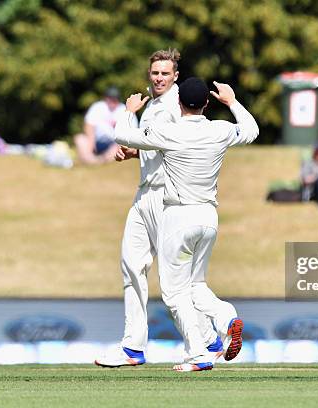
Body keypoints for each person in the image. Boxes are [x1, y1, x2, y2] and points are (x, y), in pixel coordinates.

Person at [114, 78, 258, 371]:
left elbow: (122, 135)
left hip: (179, 218)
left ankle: (198, 354)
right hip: (209, 218)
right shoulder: (220, 129)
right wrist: (231, 102)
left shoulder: (171, 131)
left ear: (179, 103)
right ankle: (227, 319)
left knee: (173, 292)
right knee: (195, 285)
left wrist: (129, 111)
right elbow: (252, 130)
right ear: (207, 103)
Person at [94, 50, 222, 368]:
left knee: (172, 281)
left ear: (175, 76)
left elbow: (185, 145)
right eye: (155, 73)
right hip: (143, 194)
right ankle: (133, 348)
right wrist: (135, 155)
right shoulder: (152, 105)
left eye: (165, 73)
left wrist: (128, 113)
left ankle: (208, 340)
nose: (159, 78)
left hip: (167, 198)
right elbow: (158, 147)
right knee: (131, 265)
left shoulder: (178, 106)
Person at [73, 86, 128, 165]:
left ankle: (103, 160)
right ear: (106, 98)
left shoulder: (124, 109)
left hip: (114, 143)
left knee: (120, 145)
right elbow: (89, 125)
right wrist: (91, 141)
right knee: (79, 139)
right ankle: (91, 160)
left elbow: (129, 131)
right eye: (110, 99)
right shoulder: (98, 107)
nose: (112, 102)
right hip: (96, 142)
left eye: (114, 99)